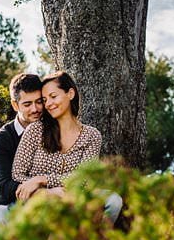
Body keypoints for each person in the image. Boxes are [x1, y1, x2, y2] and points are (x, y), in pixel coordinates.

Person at [10, 72, 123, 221]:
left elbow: (84, 178)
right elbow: (17, 174)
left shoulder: (91, 135)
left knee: (114, 200)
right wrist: (47, 192)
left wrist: (43, 179)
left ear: (70, 93)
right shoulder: (35, 130)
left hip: (76, 196)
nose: (48, 104)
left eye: (53, 96)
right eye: (45, 100)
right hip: (40, 200)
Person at [0, 73, 45, 240]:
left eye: (39, 101)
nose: (35, 109)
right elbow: (4, 186)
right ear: (15, 105)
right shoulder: (3, 138)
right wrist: (37, 190)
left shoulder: (54, 127)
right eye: (27, 104)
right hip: (18, 205)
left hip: (56, 199)